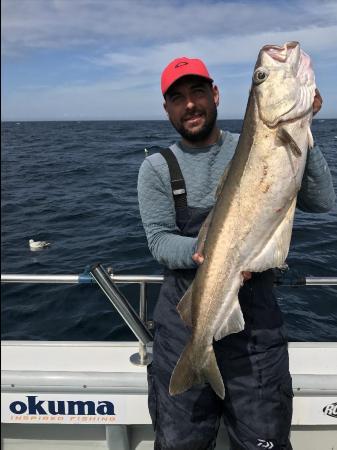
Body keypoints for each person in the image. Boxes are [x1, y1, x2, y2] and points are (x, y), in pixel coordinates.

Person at [137, 57, 335, 450]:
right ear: (167, 109)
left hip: (256, 333)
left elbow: (323, 200)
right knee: (179, 443)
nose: (189, 104)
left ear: (215, 94)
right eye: (177, 97)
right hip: (185, 325)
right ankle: (199, 358)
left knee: (265, 441)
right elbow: (159, 241)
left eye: (197, 92)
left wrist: (302, 128)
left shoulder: (255, 142)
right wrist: (210, 252)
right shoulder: (156, 168)